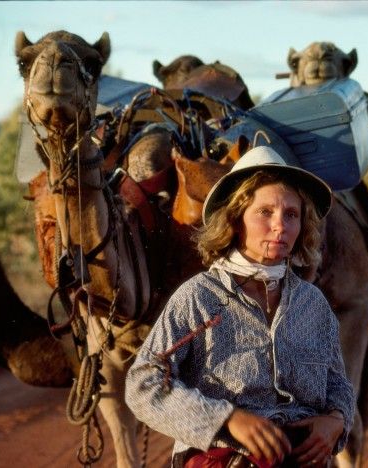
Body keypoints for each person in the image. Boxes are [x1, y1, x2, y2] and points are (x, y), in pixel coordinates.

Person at [125, 145, 355, 468]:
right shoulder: (199, 298)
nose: (280, 225)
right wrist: (227, 419)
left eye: (291, 214)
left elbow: (337, 383)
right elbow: (143, 384)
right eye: (265, 212)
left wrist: (336, 420)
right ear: (235, 219)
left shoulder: (312, 303)